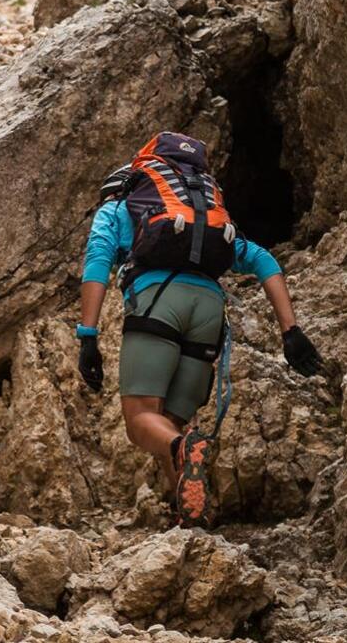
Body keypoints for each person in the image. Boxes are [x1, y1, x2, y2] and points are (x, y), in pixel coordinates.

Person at [75, 133, 323, 526]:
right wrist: (290, 331)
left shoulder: (117, 208)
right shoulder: (203, 217)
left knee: (142, 421)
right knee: (171, 422)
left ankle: (182, 448)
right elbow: (264, 261)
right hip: (209, 310)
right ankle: (191, 517)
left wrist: (87, 336)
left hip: (159, 301)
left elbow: (97, 265)